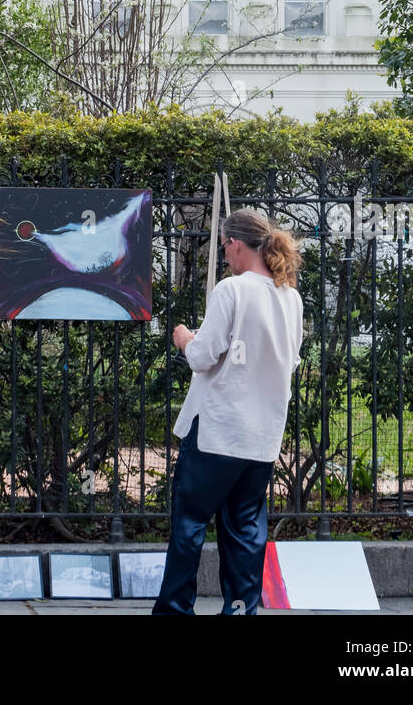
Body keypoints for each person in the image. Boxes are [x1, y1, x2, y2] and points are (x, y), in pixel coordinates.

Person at [152, 208, 303, 616]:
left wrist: (185, 338)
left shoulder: (231, 291)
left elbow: (202, 357)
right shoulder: (291, 298)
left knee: (190, 526)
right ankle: (240, 610)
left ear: (236, 244)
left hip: (217, 432)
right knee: (245, 533)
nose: (225, 256)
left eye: (224, 247)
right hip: (262, 437)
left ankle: (174, 611)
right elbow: (287, 362)